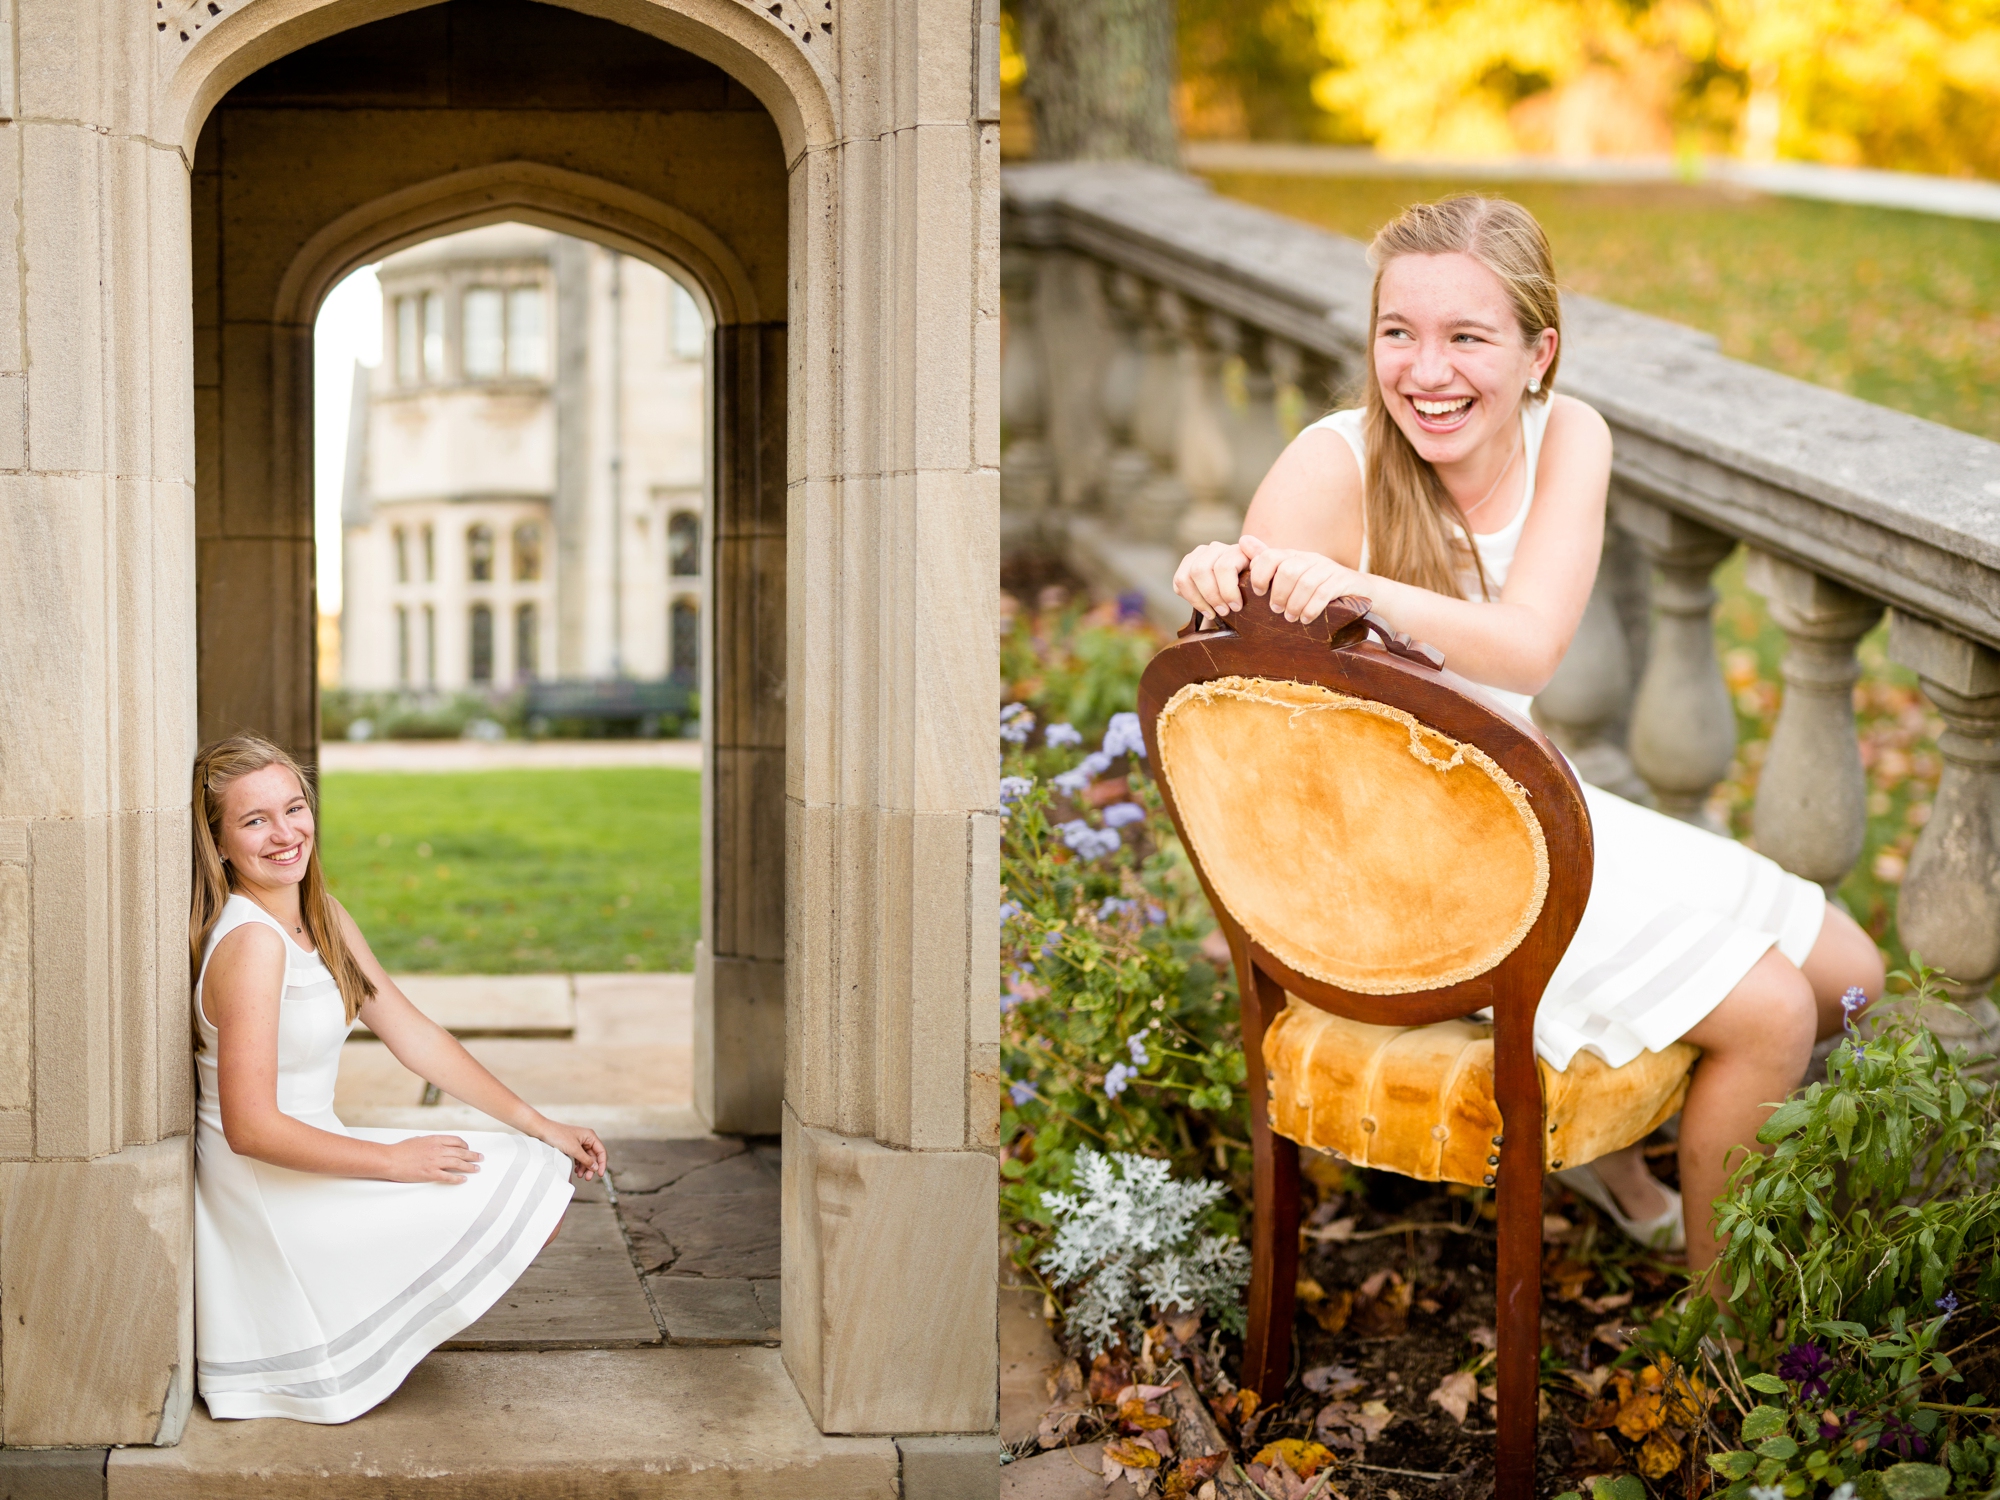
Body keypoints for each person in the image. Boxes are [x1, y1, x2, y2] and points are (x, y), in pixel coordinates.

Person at [1171, 195, 1883, 1273]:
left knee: (1847, 972)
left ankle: (1620, 1154)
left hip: (1526, 802)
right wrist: (1210, 582)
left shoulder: (1570, 434)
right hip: (1405, 859)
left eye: (1466, 337)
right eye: (1397, 333)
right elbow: (1245, 703)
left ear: (1537, 351)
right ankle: (1724, 1330)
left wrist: (1362, 588)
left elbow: (1529, 647)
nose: (1424, 370)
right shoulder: (1332, 464)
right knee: (1774, 1012)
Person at [188, 733, 606, 1423]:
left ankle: (369, 1325)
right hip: (271, 1194)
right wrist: (392, 1162)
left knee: (530, 1170)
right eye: (255, 820)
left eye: (295, 808)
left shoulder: (319, 916)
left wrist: (542, 1123)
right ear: (219, 842)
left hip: (318, 1148)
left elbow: (414, 1036)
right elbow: (251, 1128)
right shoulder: (252, 944)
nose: (286, 834)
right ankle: (342, 1331)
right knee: (496, 1189)